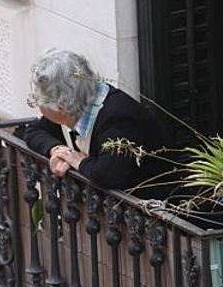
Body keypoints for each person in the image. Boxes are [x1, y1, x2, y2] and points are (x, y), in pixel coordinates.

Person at [16, 49, 166, 196]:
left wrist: (79, 162)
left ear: (61, 108)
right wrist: (57, 149)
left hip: (148, 212)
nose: (38, 105)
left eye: (37, 100)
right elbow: (33, 131)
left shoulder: (118, 120)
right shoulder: (75, 104)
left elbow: (108, 175)